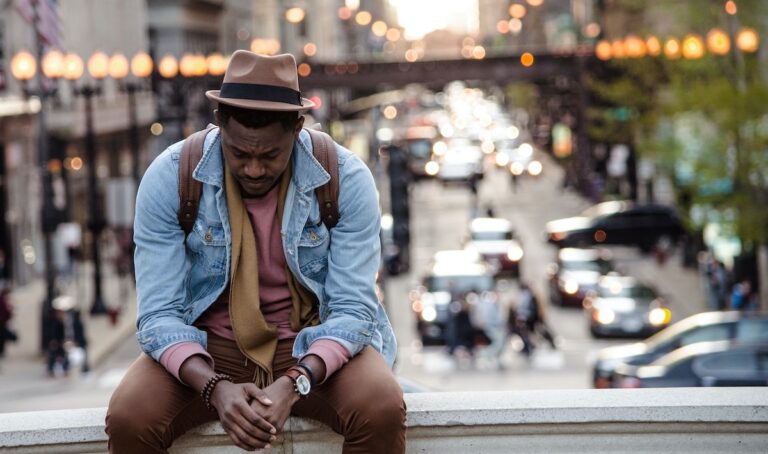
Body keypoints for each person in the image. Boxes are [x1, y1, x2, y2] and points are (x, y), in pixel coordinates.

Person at [106, 51, 405, 454]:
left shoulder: (345, 178)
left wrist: (296, 381)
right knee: (130, 417)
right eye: (239, 154)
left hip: (312, 342)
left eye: (269, 156)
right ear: (220, 123)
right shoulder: (171, 176)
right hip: (207, 347)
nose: (253, 169)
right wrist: (213, 388)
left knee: (380, 406)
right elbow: (158, 315)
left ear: (297, 129)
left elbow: (353, 310)